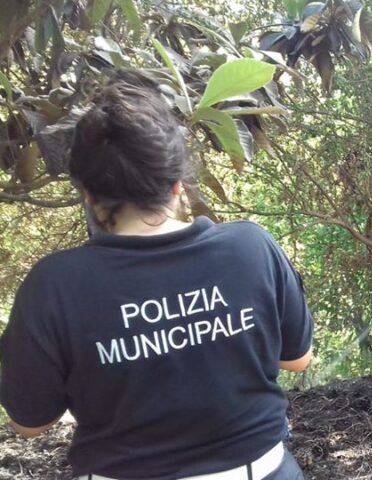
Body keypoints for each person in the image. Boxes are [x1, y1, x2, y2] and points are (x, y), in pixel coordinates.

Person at [0, 71, 314, 480]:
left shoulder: (54, 286)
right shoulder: (251, 247)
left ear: (90, 194)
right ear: (177, 184)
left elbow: (31, 421)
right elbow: (298, 358)